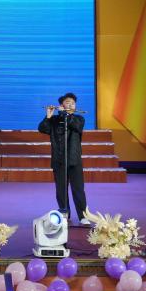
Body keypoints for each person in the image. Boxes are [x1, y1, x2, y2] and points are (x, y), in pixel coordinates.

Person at [38, 93, 89, 225]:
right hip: (59, 159)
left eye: (73, 103)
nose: (70, 104)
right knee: (61, 190)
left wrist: (65, 114)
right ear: (61, 105)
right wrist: (48, 116)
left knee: (78, 189)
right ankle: (65, 214)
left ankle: (83, 216)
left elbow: (75, 126)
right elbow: (42, 129)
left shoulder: (79, 119)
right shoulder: (54, 120)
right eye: (67, 102)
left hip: (74, 159)